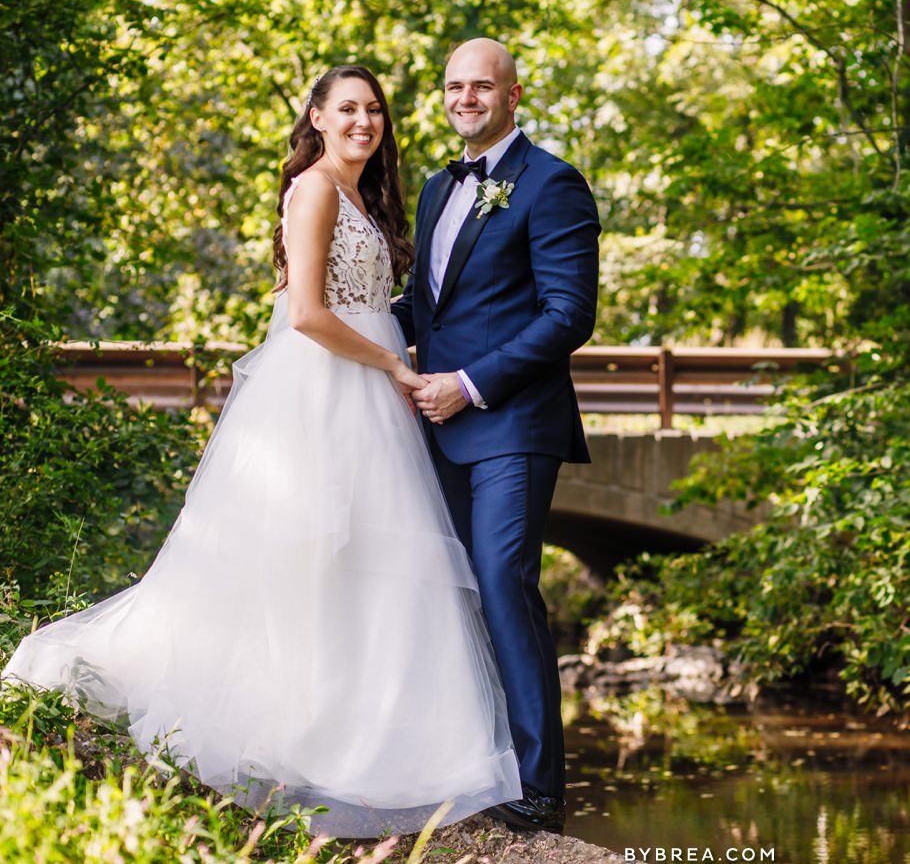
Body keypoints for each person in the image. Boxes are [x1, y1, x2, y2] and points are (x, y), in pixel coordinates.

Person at [1, 66, 522, 839]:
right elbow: (308, 314)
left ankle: (363, 721)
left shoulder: (362, 198)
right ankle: (294, 724)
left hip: (372, 396)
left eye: (374, 110)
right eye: (347, 108)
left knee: (369, 562)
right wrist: (393, 364)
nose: (364, 121)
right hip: (324, 392)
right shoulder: (312, 190)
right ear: (316, 116)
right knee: (305, 552)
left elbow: (373, 305)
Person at [392, 38, 600, 835]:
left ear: (515, 96)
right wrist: (341, 332)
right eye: (454, 86)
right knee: (450, 588)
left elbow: (568, 315)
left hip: (512, 420)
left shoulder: (552, 183)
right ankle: (466, 759)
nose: (466, 97)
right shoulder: (439, 187)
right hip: (436, 425)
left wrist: (470, 384)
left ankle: (538, 784)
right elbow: (427, 307)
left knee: (504, 579)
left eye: (482, 85)